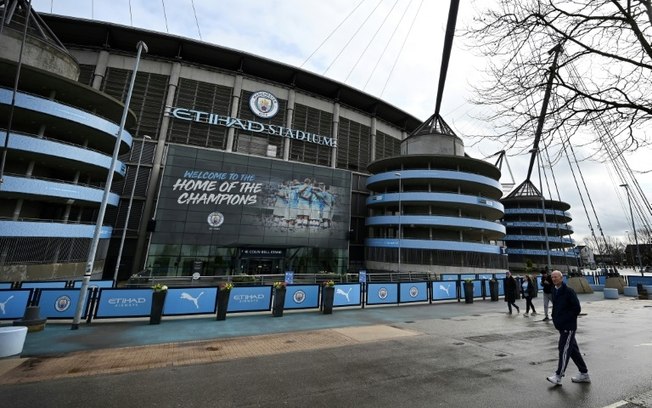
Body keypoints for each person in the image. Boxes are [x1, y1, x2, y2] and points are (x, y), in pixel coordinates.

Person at [546, 270, 591, 386]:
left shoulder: (569, 292)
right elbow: (556, 307)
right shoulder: (554, 290)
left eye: (556, 277)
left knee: (564, 349)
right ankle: (584, 373)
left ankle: (558, 376)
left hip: (568, 327)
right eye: (552, 277)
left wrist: (564, 319)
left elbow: (577, 309)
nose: (554, 279)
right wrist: (555, 318)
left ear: (562, 278)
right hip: (561, 326)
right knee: (573, 351)